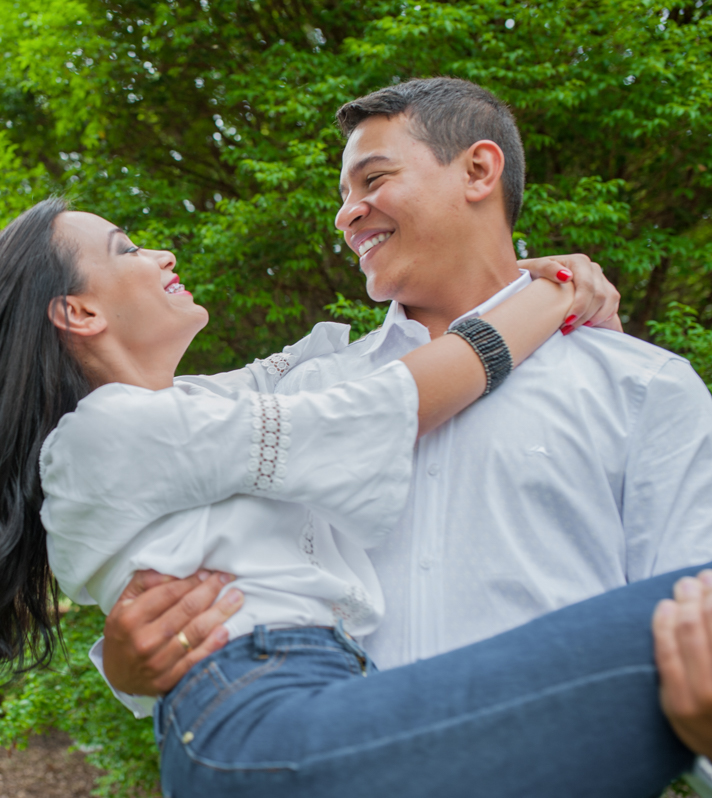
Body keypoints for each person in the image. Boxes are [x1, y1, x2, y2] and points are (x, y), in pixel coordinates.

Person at [0, 193, 712, 797]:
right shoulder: (112, 432)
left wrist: (521, 277)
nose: (160, 255)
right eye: (125, 249)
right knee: (693, 610)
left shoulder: (194, 412)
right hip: (267, 718)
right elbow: (389, 403)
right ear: (78, 314)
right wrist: (552, 293)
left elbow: (312, 376)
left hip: (302, 706)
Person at [96, 78, 712, 715]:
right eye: (344, 196)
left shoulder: (641, 387)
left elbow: (694, 627)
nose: (346, 215)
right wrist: (129, 661)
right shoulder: (303, 392)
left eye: (373, 179)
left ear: (479, 170)